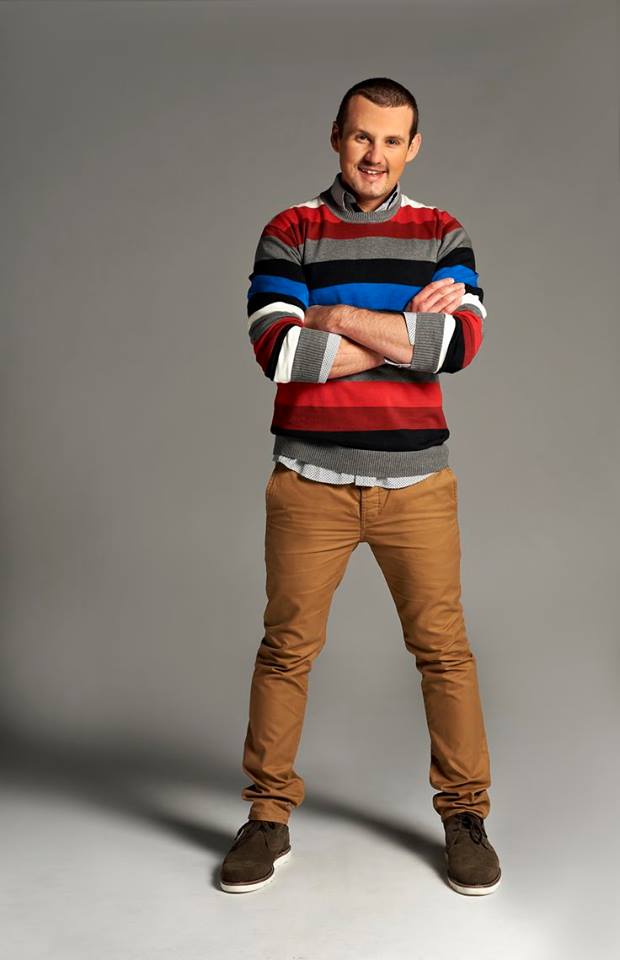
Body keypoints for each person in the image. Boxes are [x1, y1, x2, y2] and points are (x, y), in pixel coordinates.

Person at [219, 77, 501, 896]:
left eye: (391, 140)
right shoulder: (291, 230)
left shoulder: (443, 232)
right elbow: (281, 353)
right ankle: (267, 815)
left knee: (445, 653)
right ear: (337, 137)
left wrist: (334, 316)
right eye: (361, 136)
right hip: (310, 483)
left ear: (413, 148)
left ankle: (466, 815)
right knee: (286, 650)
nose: (374, 155)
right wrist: (401, 329)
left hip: (417, 486)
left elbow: (455, 348)